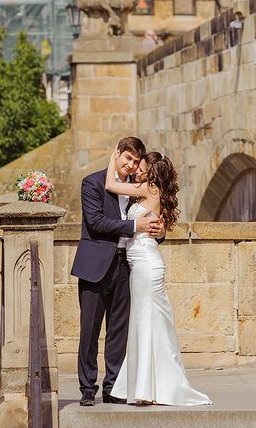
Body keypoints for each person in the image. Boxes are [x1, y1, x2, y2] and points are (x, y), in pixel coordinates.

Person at [105, 149, 212, 406]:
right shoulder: (151, 191)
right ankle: (147, 386)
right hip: (140, 263)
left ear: (151, 171)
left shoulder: (149, 190)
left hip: (146, 264)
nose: (137, 170)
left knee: (146, 320)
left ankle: (148, 387)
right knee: (147, 321)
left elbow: (110, 184)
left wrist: (113, 158)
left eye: (141, 166)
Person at [71, 137, 166, 406]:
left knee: (119, 330)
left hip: (128, 265)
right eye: (127, 159)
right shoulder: (92, 183)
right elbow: (97, 222)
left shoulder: (139, 187)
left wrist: (159, 232)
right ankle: (87, 388)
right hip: (95, 266)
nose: (131, 165)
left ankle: (113, 388)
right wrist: (134, 226)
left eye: (136, 161)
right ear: (117, 155)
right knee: (89, 330)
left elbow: (152, 220)